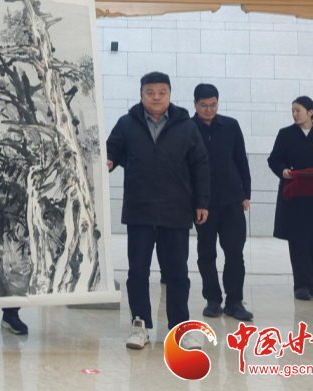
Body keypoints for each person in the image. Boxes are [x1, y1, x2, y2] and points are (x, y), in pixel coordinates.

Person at [106, 72, 210, 350]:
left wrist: (202, 202)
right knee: (138, 272)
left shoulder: (186, 126)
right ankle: (140, 326)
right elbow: (110, 152)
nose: (156, 97)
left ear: (169, 95)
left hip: (175, 211)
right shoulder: (127, 124)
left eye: (162, 92)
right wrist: (107, 161)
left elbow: (200, 165)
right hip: (139, 211)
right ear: (141, 94)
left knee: (177, 274)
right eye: (150, 92)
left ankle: (180, 329)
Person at [268, 96, 313, 301]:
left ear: (310, 112)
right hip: (294, 195)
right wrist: (283, 171)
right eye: (293, 110)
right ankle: (301, 285)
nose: (295, 114)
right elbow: (274, 159)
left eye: (298, 110)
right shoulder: (285, 134)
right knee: (298, 239)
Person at [191, 84, 253, 321]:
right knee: (206, 252)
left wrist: (245, 194)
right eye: (204, 105)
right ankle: (213, 300)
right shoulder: (187, 128)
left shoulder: (231, 126)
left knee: (235, 252)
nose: (209, 109)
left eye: (213, 105)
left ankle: (234, 301)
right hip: (202, 204)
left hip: (231, 200)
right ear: (195, 104)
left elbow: (241, 160)